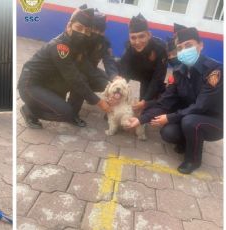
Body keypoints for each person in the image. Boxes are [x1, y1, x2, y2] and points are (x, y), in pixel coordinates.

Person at [126, 27, 223, 174]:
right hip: (189, 115)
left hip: (215, 122)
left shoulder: (214, 71)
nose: (184, 51)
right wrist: (140, 119)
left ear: (201, 45)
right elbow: (165, 101)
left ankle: (193, 160)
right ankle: (187, 141)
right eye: (180, 48)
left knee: (189, 121)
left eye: (189, 45)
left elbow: (201, 106)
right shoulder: (179, 71)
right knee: (168, 132)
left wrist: (170, 117)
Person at [18, 7, 111, 129]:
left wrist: (111, 85)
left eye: (86, 30)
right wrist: (99, 102)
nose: (82, 33)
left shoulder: (78, 45)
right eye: (79, 28)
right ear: (69, 26)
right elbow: (74, 79)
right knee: (66, 112)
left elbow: (89, 70)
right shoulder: (60, 47)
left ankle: (72, 114)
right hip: (30, 84)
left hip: (49, 80)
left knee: (83, 77)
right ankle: (29, 110)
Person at [119, 13, 168, 112]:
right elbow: (123, 68)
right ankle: (117, 105)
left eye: (141, 36)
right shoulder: (129, 46)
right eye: (133, 37)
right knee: (119, 77)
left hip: (149, 77)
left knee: (144, 105)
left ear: (149, 35)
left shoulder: (160, 49)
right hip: (135, 71)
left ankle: (145, 112)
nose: (137, 42)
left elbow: (158, 77)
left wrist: (145, 101)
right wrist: (119, 85)